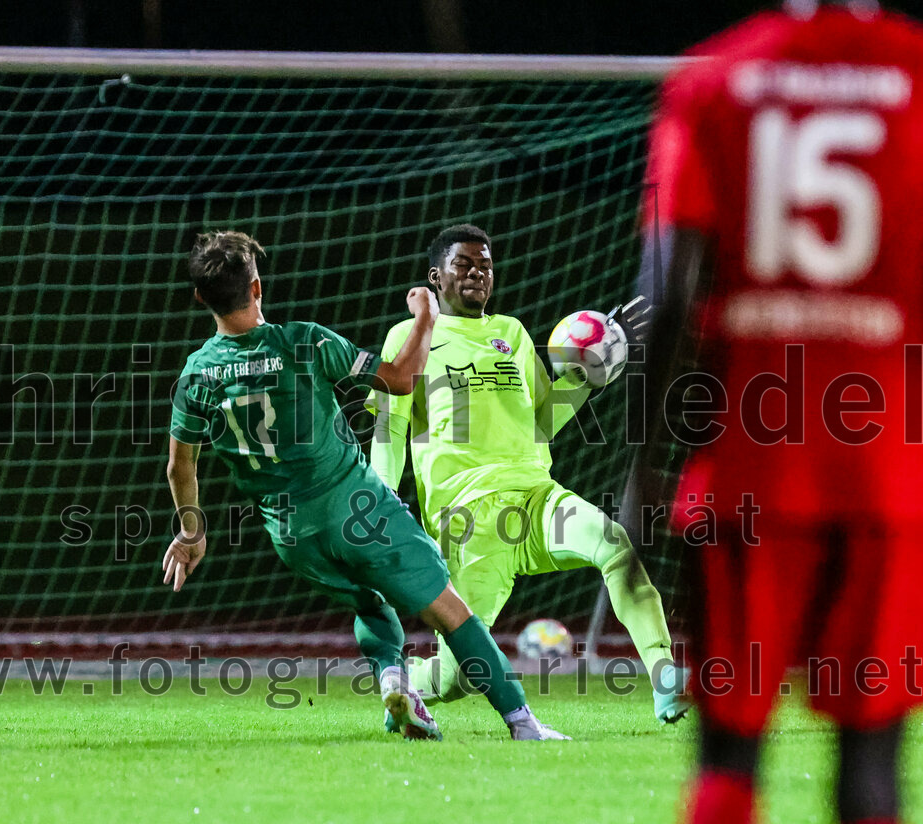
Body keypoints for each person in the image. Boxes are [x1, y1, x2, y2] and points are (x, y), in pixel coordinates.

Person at [629, 2, 923, 821]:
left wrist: (647, 459)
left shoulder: (716, 76)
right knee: (871, 762)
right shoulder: (915, 72)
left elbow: (668, 279)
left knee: (728, 754)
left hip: (748, 470)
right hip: (892, 477)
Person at [163, 230, 568, 741]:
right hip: (355, 504)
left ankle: (397, 688)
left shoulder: (198, 373)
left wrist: (193, 532)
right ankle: (522, 722)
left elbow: (181, 466)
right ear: (258, 288)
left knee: (371, 603)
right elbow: (399, 379)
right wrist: (426, 317)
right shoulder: (303, 340)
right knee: (448, 608)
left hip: (290, 532)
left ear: (201, 297)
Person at [367, 223, 691, 724]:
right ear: (436, 276)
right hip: (468, 521)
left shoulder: (511, 333)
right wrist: (382, 497)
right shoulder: (407, 339)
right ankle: (409, 684)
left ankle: (665, 677)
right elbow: (389, 428)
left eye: (486, 264)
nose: (479, 272)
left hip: (538, 497)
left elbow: (542, 421)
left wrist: (586, 375)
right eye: (464, 264)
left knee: (615, 546)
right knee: (462, 678)